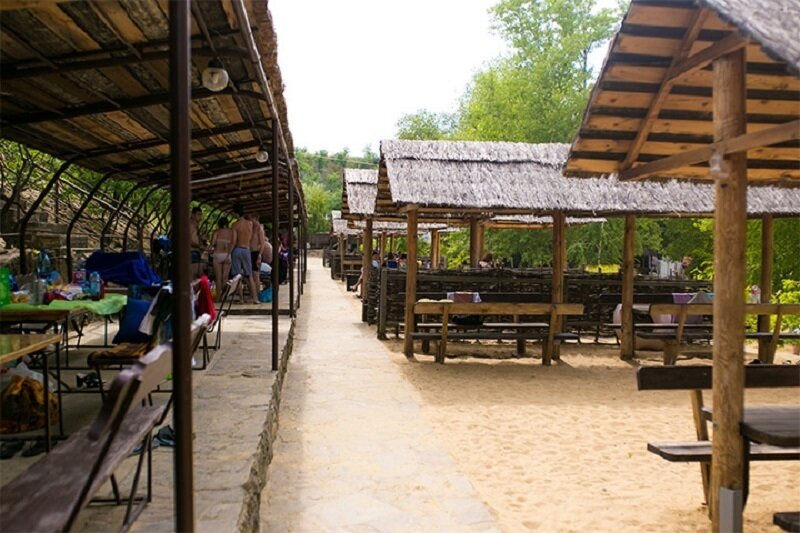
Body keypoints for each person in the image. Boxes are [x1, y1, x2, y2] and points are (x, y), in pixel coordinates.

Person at [230, 204, 259, 304]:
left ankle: (241, 299)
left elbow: (234, 241)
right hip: (246, 250)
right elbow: (251, 237)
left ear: (235, 213)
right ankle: (255, 298)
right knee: (249, 275)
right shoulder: (250, 223)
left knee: (237, 275)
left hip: (237, 249)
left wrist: (228, 253)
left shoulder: (235, 225)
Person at [210, 218, 234, 301]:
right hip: (227, 255)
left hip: (217, 254)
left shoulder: (216, 232)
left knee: (218, 278)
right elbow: (233, 243)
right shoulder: (231, 232)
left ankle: (218, 296)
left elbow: (213, 243)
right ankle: (224, 296)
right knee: (225, 277)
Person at [248, 214, 267, 296]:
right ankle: (253, 293)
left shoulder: (259, 229)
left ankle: (257, 293)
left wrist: (259, 255)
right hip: (250, 252)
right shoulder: (251, 228)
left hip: (256, 253)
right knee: (250, 275)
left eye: (251, 218)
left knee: (256, 275)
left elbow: (262, 244)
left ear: (255, 218)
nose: (250, 220)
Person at [189, 206, 204, 278]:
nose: (200, 217)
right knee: (192, 274)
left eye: (201, 215)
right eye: (198, 214)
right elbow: (189, 241)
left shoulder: (195, 226)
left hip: (196, 251)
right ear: (192, 215)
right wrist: (200, 246)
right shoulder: (190, 225)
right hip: (192, 252)